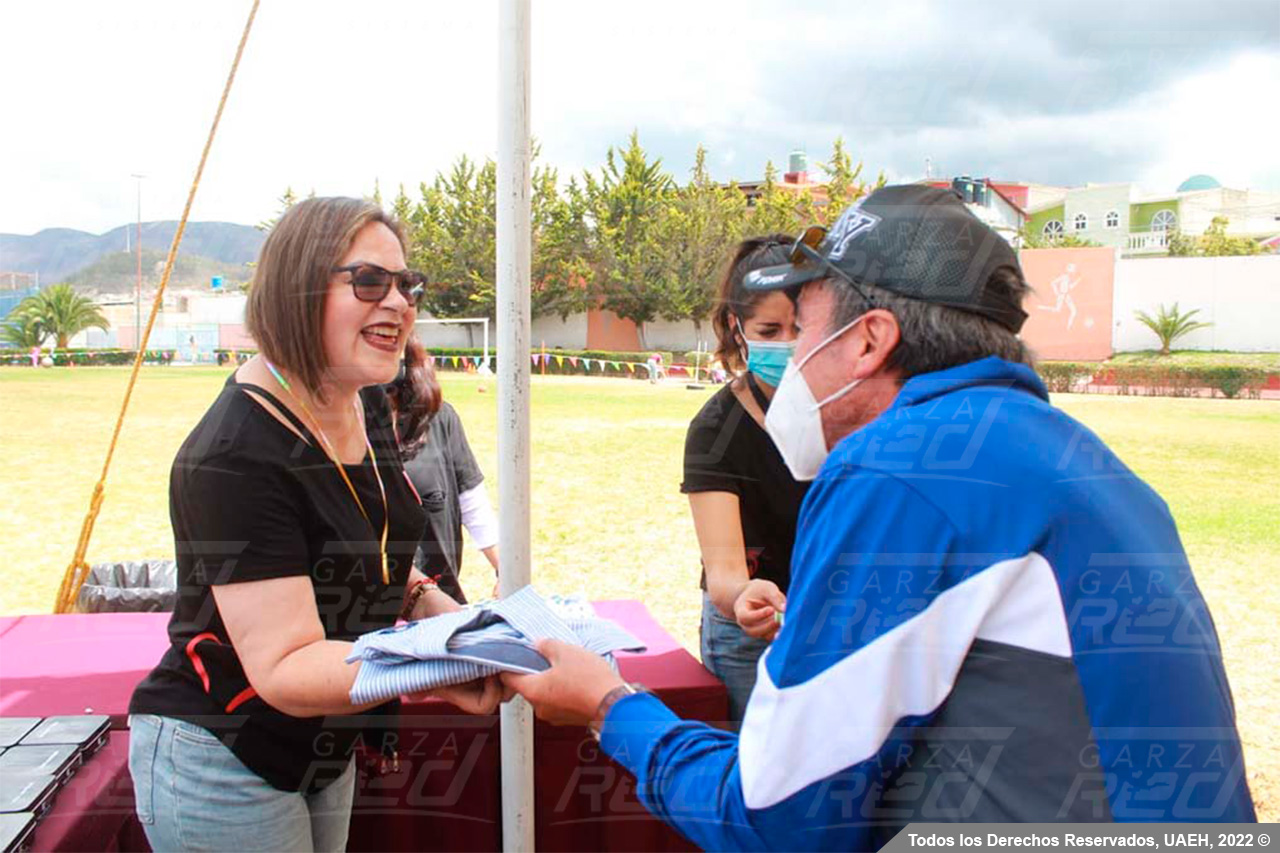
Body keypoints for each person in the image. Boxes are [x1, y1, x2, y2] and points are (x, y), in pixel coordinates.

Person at [506, 184, 1256, 846]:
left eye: (801, 329)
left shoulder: (898, 465)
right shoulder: (1077, 456)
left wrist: (610, 706)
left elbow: (778, 817)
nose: (791, 359)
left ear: (867, 340)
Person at [128, 197, 502, 853]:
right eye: (369, 281)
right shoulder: (233, 456)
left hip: (323, 740)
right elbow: (286, 666)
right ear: (297, 288)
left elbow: (376, 551)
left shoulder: (365, 402)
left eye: (407, 284)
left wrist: (446, 613)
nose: (398, 302)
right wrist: (443, 661)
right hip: (224, 754)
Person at [682, 235, 808, 723]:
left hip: (837, 626)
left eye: (802, 328)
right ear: (737, 328)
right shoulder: (716, 431)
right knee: (751, 778)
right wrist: (746, 599)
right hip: (749, 640)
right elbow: (726, 574)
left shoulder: (857, 412)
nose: (789, 345)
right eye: (770, 330)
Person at [386, 338, 500, 603]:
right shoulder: (332, 422)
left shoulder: (439, 418)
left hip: (440, 606)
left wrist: (505, 568)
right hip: (361, 618)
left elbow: (470, 500)